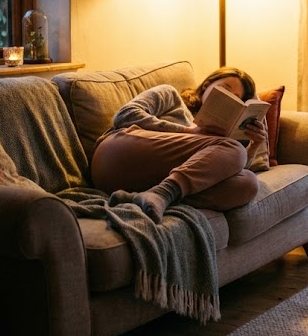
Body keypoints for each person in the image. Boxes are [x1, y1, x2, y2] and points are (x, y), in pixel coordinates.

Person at [91, 67, 269, 223]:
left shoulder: (219, 136)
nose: (228, 97)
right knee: (234, 148)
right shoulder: (170, 95)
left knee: (247, 184)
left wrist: (254, 146)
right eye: (224, 89)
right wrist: (190, 133)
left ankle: (148, 196)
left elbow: (230, 170)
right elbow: (124, 115)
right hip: (115, 154)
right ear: (207, 84)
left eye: (235, 98)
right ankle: (163, 194)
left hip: (144, 178)